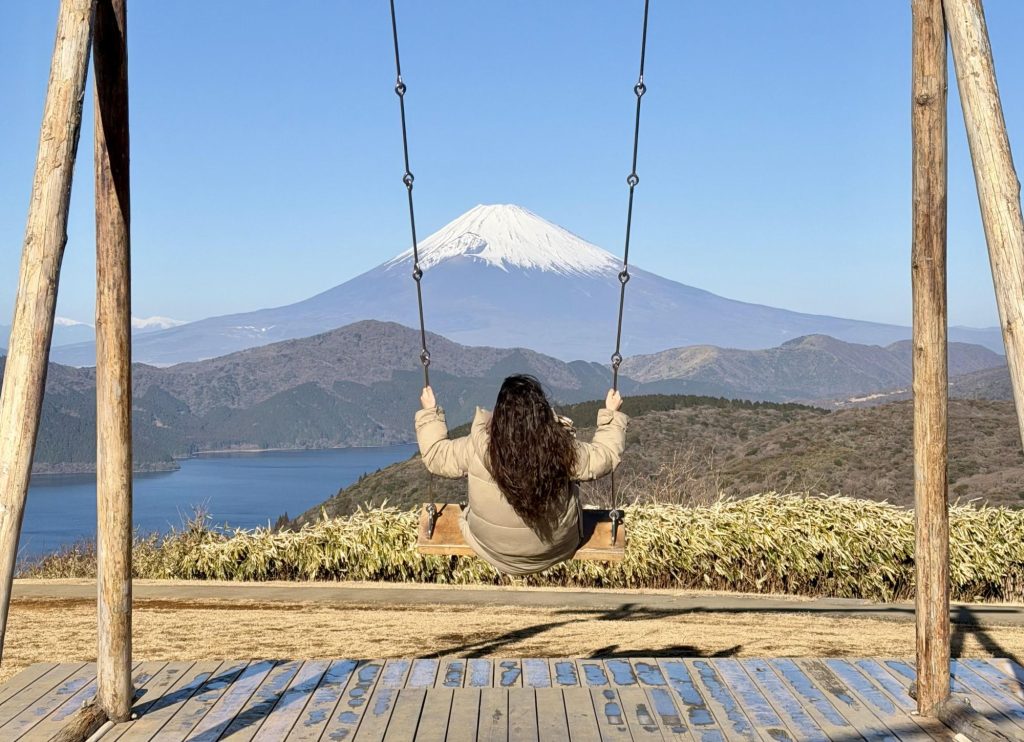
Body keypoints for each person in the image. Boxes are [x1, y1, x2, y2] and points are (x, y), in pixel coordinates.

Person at [414, 374, 628, 575]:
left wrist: (430, 412)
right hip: (554, 548)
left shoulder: (477, 446)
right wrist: (610, 414)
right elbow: (606, 456)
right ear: (543, 412)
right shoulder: (562, 450)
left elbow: (436, 455)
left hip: (491, 547)